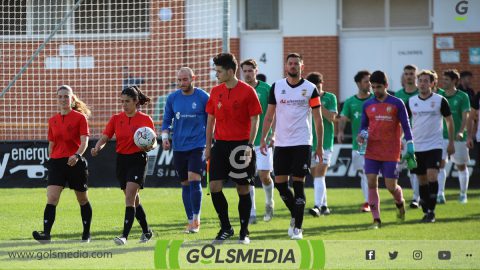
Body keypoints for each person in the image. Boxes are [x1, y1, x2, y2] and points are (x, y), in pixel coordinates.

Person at [260, 53, 324, 240]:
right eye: (291, 63)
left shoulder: (310, 88)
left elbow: (318, 119)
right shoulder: (277, 87)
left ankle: (297, 228)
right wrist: (263, 138)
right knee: (280, 184)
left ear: (302, 66)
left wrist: (319, 146)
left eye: (297, 63)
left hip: (302, 143)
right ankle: (296, 214)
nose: (293, 66)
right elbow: (270, 115)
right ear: (286, 66)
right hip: (281, 143)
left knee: (298, 185)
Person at [205, 53, 262, 244]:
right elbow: (210, 120)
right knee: (214, 187)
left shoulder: (248, 91)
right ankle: (226, 227)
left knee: (243, 188)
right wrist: (208, 147)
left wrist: (249, 145)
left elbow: (255, 119)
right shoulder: (215, 91)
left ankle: (244, 232)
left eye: (219, 71)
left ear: (230, 71)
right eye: (215, 71)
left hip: (241, 145)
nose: (216, 74)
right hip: (219, 145)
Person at [91, 85, 155, 245]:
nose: (124, 104)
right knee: (134, 199)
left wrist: (149, 147)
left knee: (129, 198)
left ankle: (124, 236)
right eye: (122, 102)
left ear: (135, 101)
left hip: (138, 159)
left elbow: (153, 143)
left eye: (127, 101)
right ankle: (147, 231)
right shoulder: (115, 118)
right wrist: (98, 146)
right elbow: (105, 137)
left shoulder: (145, 119)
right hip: (122, 161)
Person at [33, 85, 92, 243]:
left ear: (72, 98)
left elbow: (84, 141)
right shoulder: (52, 120)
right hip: (57, 163)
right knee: (52, 198)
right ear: (56, 99)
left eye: (66, 96)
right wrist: (51, 159)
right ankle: (46, 235)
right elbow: (51, 144)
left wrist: (77, 155)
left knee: (82, 199)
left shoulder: (80, 118)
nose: (63, 99)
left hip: (75, 162)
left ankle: (86, 234)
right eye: (60, 96)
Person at [358, 70, 412, 229]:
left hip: (391, 151)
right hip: (372, 150)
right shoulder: (367, 104)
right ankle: (376, 220)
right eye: (373, 87)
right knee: (371, 183)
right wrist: (361, 135)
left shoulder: (397, 103)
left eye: (379, 87)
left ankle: (400, 202)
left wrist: (410, 144)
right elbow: (363, 127)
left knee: (391, 187)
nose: (375, 90)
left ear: (386, 85)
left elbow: (407, 127)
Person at [161, 67, 209, 233]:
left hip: (198, 145)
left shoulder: (203, 97)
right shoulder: (172, 98)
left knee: (194, 179)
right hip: (179, 146)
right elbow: (166, 120)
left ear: (193, 78)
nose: (182, 83)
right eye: (179, 80)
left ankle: (196, 219)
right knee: (185, 184)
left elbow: (212, 121)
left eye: (185, 80)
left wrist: (211, 143)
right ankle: (190, 220)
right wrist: (165, 138)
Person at [406, 70, 454, 223]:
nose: (423, 83)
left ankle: (431, 211)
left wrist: (451, 142)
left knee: (432, 175)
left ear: (433, 84)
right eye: (420, 80)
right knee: (421, 179)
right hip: (417, 146)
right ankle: (426, 209)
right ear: (417, 83)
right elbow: (405, 124)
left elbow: (449, 122)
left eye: (426, 81)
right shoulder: (411, 101)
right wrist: (403, 142)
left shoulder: (440, 100)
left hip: (434, 145)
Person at [240, 59, 275, 223]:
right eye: (244, 71)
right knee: (248, 177)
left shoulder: (266, 89)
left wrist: (272, 134)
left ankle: (269, 202)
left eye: (250, 70)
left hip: (263, 140)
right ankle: (251, 212)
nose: (247, 74)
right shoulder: (239, 89)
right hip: (244, 140)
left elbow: (273, 114)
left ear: (256, 70)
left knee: (264, 176)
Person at [337, 70, 373, 213]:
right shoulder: (350, 102)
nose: (369, 84)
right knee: (364, 173)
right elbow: (343, 118)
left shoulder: (375, 100)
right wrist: (340, 131)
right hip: (358, 145)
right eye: (366, 81)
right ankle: (369, 201)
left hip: (376, 144)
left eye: (370, 81)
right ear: (358, 83)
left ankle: (369, 202)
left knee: (369, 173)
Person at [306, 72, 337, 217]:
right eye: (314, 88)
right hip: (309, 142)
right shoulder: (305, 97)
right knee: (317, 176)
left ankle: (317, 206)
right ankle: (324, 206)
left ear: (322, 83)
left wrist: (316, 101)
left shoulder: (330, 97)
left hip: (324, 142)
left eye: (318, 87)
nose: (317, 90)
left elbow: (331, 118)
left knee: (319, 174)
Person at [437, 69, 470, 204]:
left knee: (461, 166)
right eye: (443, 79)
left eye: (446, 80)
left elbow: (465, 117)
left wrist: (462, 131)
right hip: (441, 137)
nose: (443, 82)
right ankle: (440, 194)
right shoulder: (439, 95)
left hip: (458, 138)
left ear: (454, 81)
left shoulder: (463, 96)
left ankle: (463, 194)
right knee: (440, 165)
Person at [395, 64, 420, 209]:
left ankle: (416, 197)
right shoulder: (398, 95)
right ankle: (399, 198)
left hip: (419, 137)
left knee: (415, 168)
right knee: (398, 168)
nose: (409, 76)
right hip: (402, 137)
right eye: (406, 73)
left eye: (411, 73)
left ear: (416, 76)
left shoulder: (421, 93)